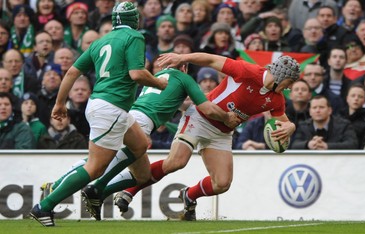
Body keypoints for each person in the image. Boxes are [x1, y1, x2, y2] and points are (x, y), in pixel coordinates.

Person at [40, 61, 239, 220]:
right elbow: (205, 107)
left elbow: (175, 102)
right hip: (141, 124)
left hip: (131, 116)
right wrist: (226, 117)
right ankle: (70, 187)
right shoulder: (184, 79)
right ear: (184, 67)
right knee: (99, 162)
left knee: (141, 174)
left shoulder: (157, 78)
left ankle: (98, 191)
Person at [114, 52, 300, 221]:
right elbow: (211, 59)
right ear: (280, 76)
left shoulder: (277, 98)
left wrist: (290, 126)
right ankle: (129, 191)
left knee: (222, 183)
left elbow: (282, 121)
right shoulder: (247, 71)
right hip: (200, 118)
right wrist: (182, 58)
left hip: (222, 133)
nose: (289, 88)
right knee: (176, 162)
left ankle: (189, 196)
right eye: (289, 83)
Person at [29, 2, 168, 227]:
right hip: (111, 108)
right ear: (135, 20)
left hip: (104, 105)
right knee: (95, 167)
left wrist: (60, 102)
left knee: (141, 143)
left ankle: (97, 190)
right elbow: (137, 73)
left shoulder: (100, 41)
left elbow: (73, 71)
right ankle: (44, 206)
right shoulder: (135, 36)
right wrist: (161, 84)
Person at [290, 95, 358, 150]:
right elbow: (294, 145)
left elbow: (352, 144)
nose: (318, 110)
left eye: (321, 107)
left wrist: (327, 146)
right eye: (314, 108)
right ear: (310, 112)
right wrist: (308, 144)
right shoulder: (303, 126)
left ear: (329, 110)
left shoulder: (344, 125)